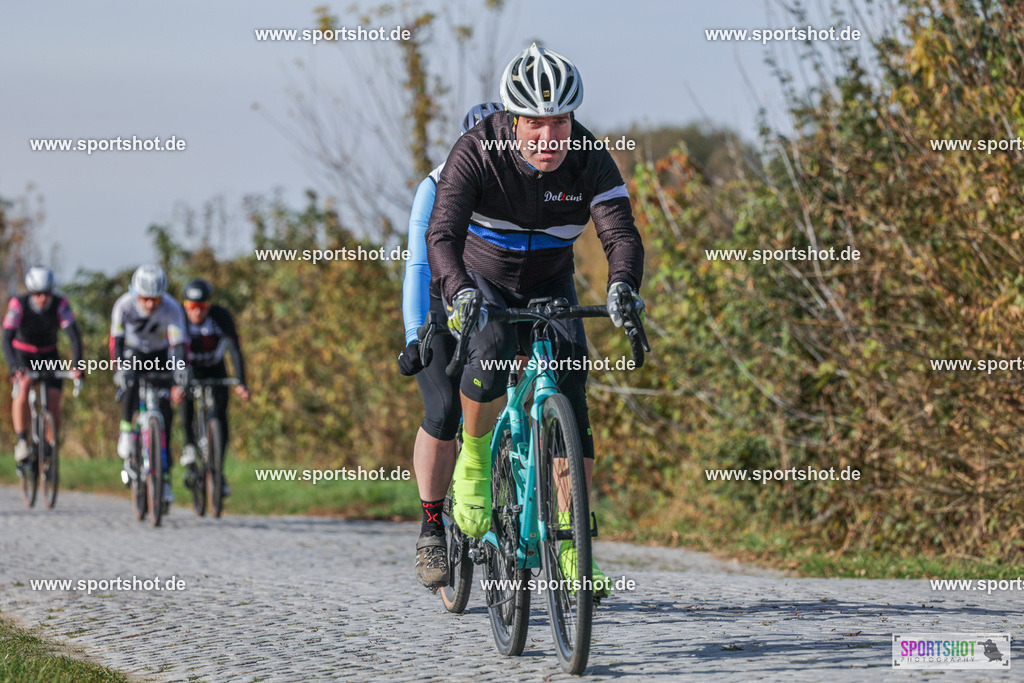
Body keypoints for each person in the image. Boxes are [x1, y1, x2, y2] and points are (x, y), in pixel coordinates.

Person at [425, 44, 646, 597]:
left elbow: (620, 234)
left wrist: (623, 286)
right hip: (482, 278)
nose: (549, 138)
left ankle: (572, 544)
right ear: (513, 120)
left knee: (571, 383)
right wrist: (456, 291)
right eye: (535, 124)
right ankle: (474, 462)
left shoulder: (590, 157)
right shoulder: (477, 150)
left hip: (550, 282)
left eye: (561, 122)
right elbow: (442, 235)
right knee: (493, 346)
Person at [400, 101, 505, 588]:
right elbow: (419, 268)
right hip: (442, 308)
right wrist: (415, 333)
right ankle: (432, 528)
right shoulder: (437, 183)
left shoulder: (518, 180)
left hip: (494, 302)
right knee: (442, 410)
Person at [110, 264, 189, 504]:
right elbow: (117, 341)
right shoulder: (123, 305)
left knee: (165, 412)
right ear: (136, 293)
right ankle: (126, 430)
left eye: (155, 299)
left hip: (160, 354)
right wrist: (119, 369)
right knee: (130, 379)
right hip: (133, 353)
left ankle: (164, 479)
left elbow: (177, 345)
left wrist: (180, 370)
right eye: (145, 299)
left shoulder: (172, 308)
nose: (150, 304)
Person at [2, 267, 83, 468]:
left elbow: (74, 336)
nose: (42, 298)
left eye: (46, 293)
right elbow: (6, 338)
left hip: (49, 354)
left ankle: (48, 446)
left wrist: (78, 366)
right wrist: (14, 367)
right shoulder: (18, 304)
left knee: (54, 400)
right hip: (23, 354)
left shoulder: (60, 304)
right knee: (25, 384)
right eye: (37, 294)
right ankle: (22, 441)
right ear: (31, 292)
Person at [178, 278, 250, 497]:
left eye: (202, 307)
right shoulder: (179, 318)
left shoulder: (221, 316)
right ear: (185, 306)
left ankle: (219, 471)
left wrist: (241, 381)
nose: (197, 313)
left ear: (209, 306)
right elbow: (176, 349)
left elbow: (234, 350)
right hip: (188, 367)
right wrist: (179, 381)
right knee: (186, 396)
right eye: (192, 307)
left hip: (215, 368)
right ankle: (189, 445)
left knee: (220, 415)